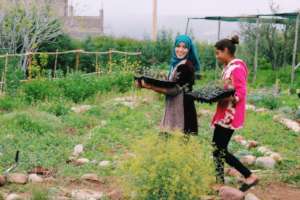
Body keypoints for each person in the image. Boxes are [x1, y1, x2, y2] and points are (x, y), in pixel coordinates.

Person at [211, 35, 259, 192]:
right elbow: (227, 87)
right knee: (216, 147)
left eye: (218, 53)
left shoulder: (237, 68)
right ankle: (220, 180)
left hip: (229, 114)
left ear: (226, 51)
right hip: (224, 111)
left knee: (219, 149)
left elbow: (241, 90)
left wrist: (231, 98)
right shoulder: (229, 67)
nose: (217, 57)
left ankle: (249, 176)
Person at [139, 35, 200, 135]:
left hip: (182, 109)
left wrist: (151, 86)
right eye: (178, 46)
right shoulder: (177, 63)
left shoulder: (185, 66)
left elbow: (174, 90)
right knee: (171, 139)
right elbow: (173, 82)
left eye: (184, 47)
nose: (180, 50)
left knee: (176, 138)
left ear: (189, 49)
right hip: (175, 106)